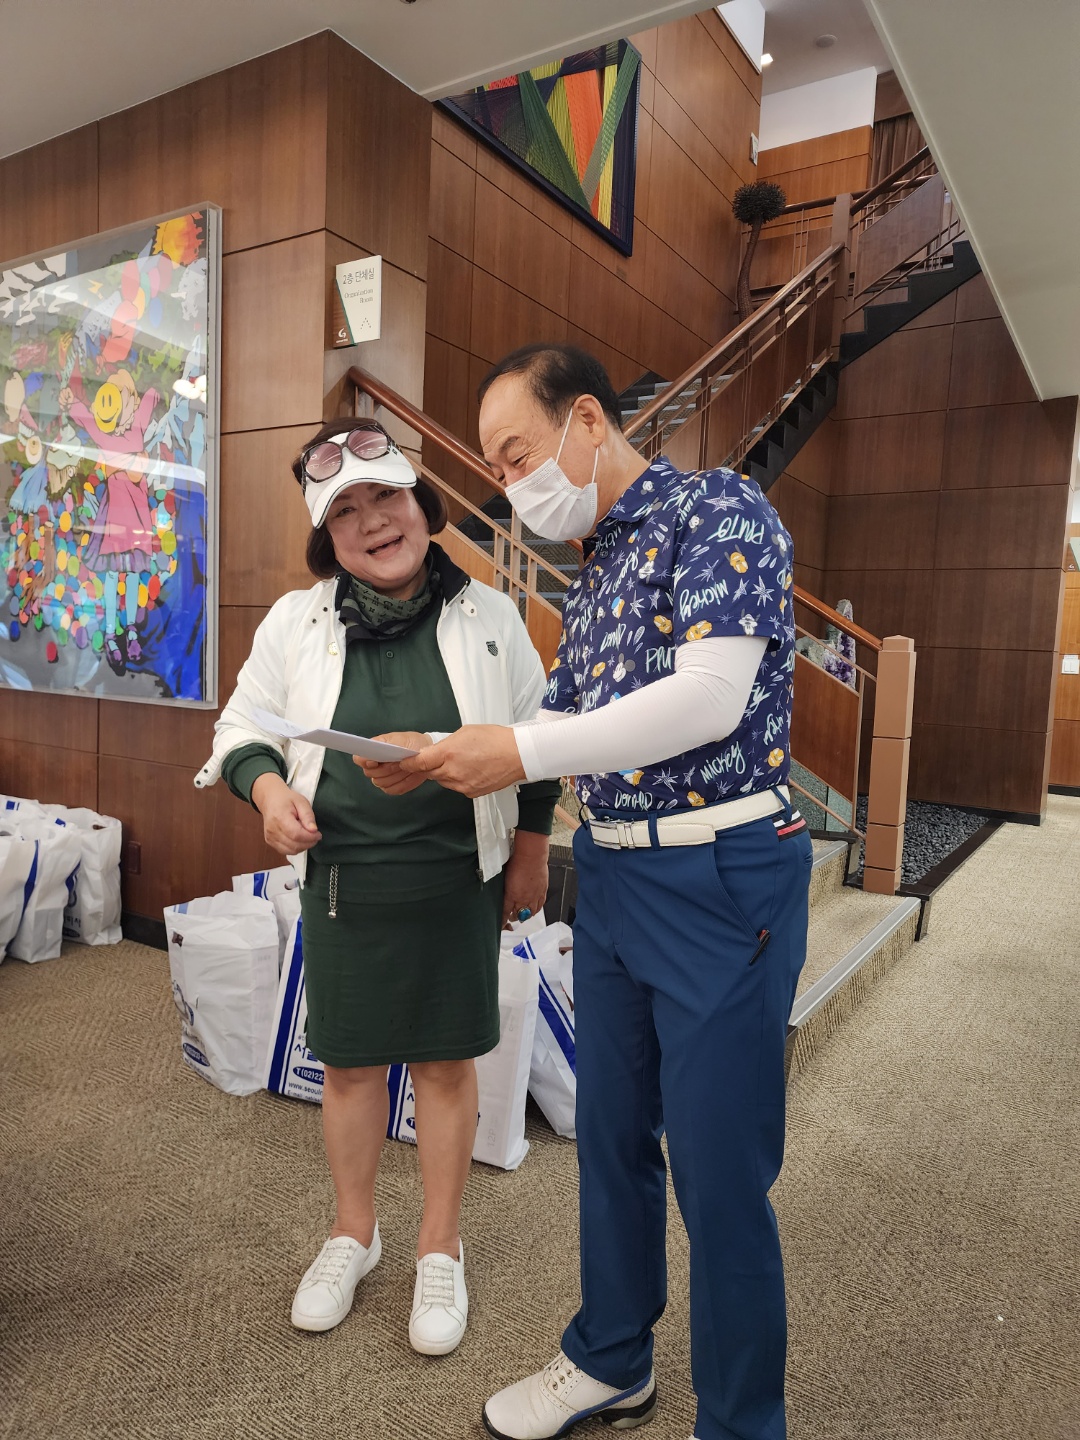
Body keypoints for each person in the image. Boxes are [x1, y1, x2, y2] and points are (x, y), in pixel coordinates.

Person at [365, 346, 813, 1440]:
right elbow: (563, 724)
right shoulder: (597, 567)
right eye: (497, 469)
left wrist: (516, 751)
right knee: (610, 1135)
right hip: (611, 869)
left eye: (518, 454)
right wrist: (445, 751)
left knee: (717, 1170)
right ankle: (613, 1355)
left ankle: (741, 1422)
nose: (512, 485)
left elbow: (709, 699)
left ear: (588, 421)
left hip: (719, 870)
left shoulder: (720, 510)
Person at [195, 417, 558, 1355]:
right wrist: (267, 794)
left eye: (386, 497)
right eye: (345, 511)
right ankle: (354, 1232)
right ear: (329, 537)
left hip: (456, 880)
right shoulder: (297, 621)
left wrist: (531, 851)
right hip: (344, 885)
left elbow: (536, 739)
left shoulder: (492, 618)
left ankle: (440, 1244)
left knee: (444, 1064)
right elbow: (241, 731)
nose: (373, 521)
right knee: (350, 1067)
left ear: (422, 504)